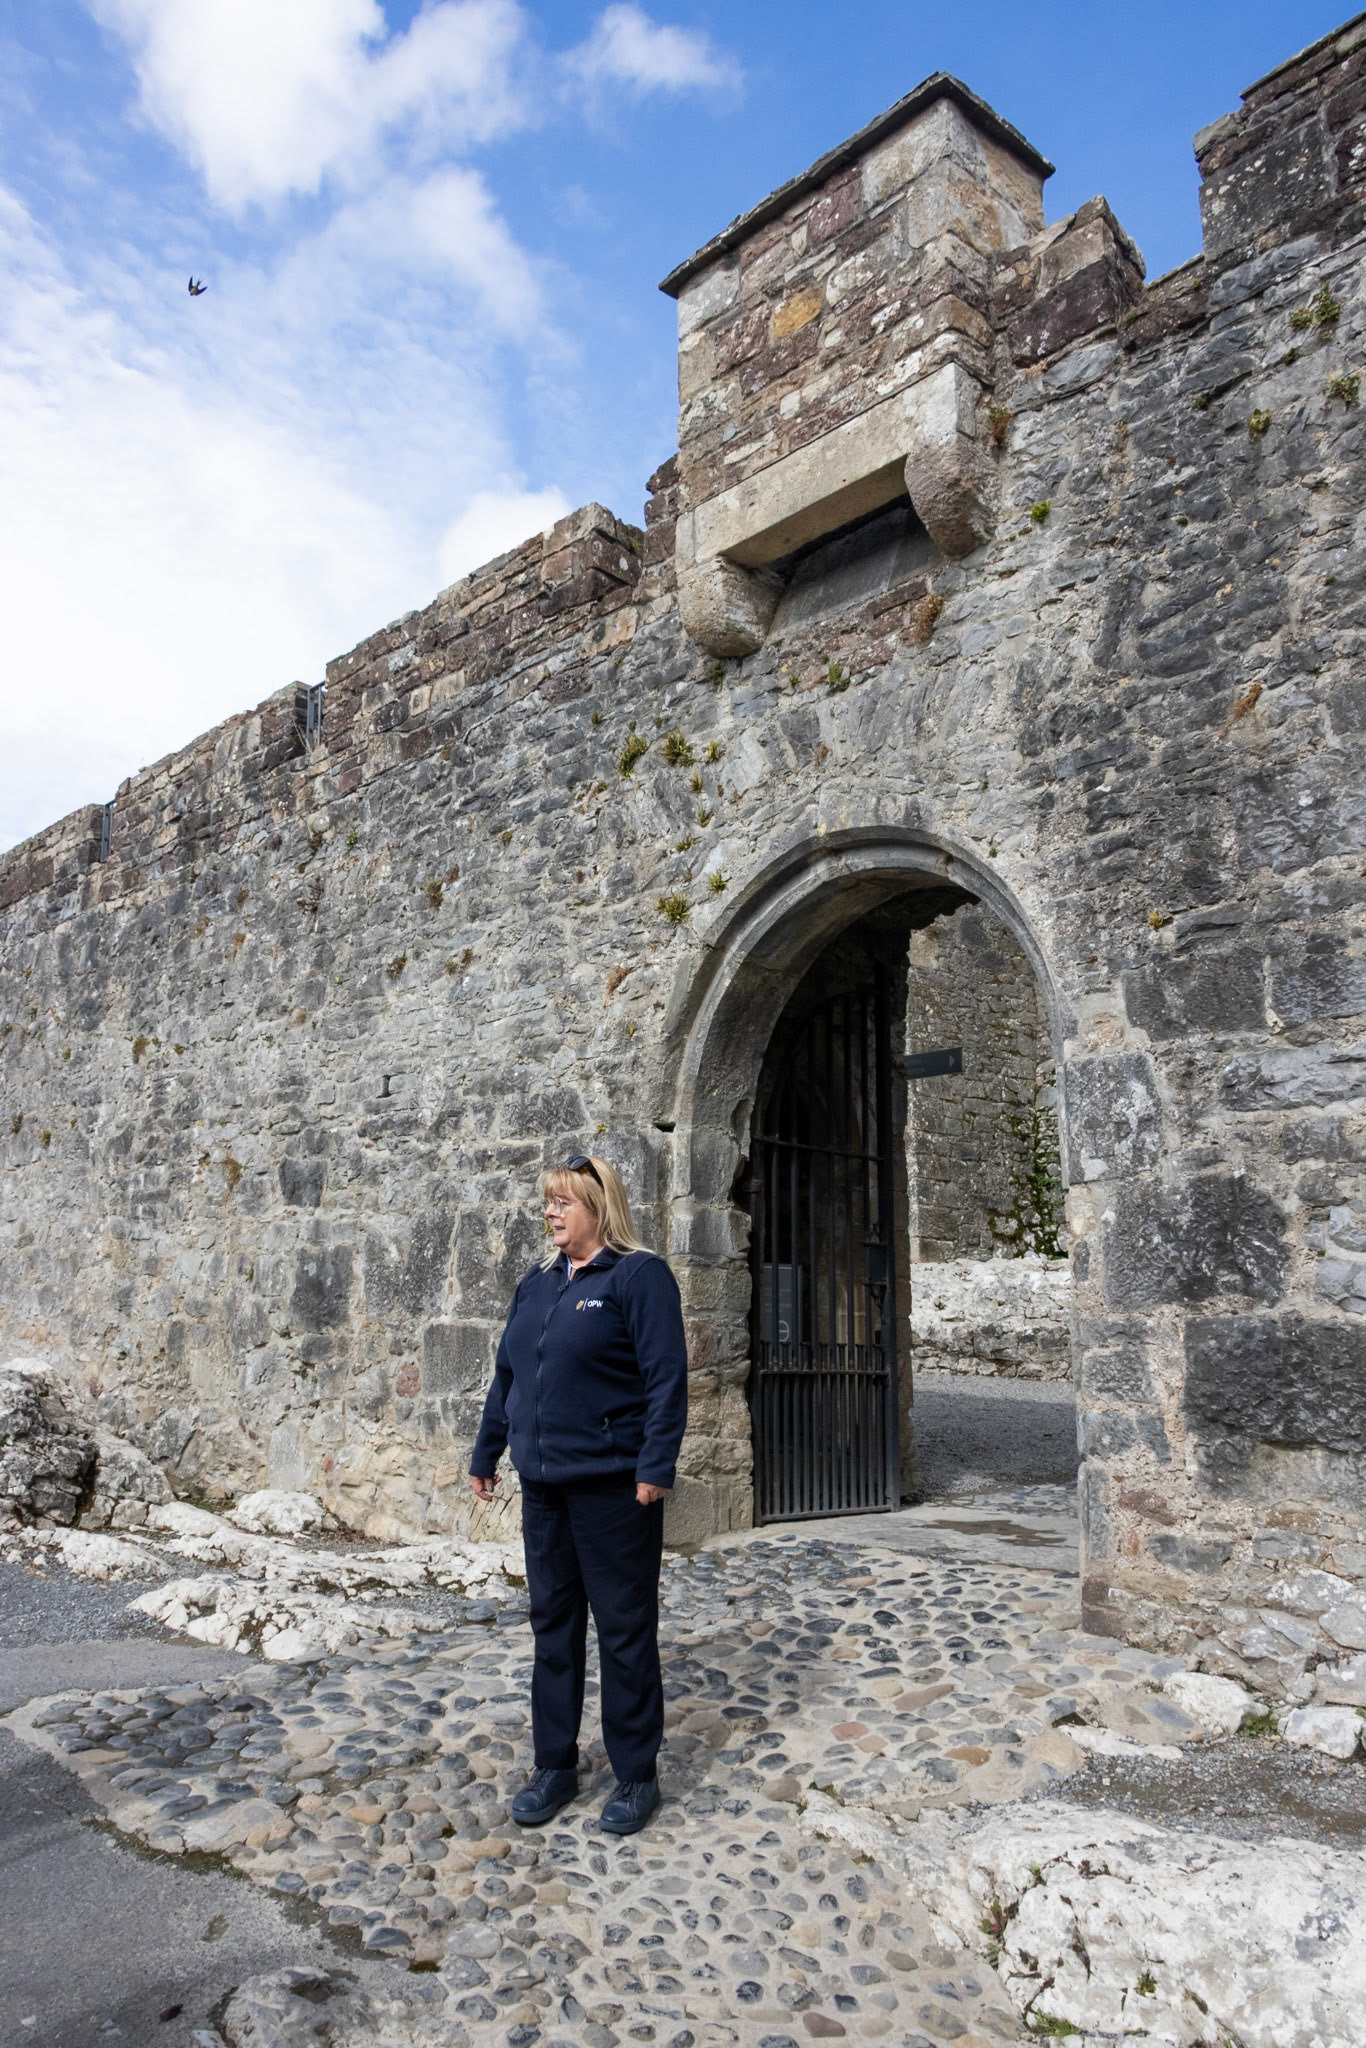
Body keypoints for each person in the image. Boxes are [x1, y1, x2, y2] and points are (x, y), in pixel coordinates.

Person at [469, 1154, 688, 1836]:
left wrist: (655, 1467)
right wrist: (488, 1449)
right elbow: (509, 1375)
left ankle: (634, 1775)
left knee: (624, 1632)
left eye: (564, 1202)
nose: (551, 1213)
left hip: (614, 1490)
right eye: (548, 1202)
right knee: (552, 1628)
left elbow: (665, 1378)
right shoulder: (537, 1285)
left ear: (599, 1205)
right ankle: (554, 1764)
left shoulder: (638, 1276)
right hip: (544, 1489)